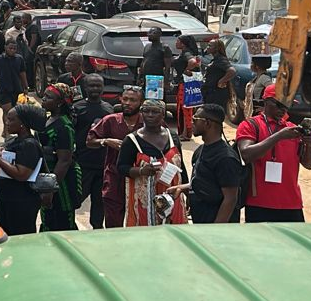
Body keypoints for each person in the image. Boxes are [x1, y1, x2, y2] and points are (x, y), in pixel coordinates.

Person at [235, 82, 311, 222]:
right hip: (259, 204)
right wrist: (278, 136)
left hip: (292, 203)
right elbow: (247, 154)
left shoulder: (292, 129)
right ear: (266, 102)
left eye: (286, 105)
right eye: (279, 105)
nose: (283, 110)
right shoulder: (251, 125)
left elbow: (309, 164)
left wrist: (308, 144)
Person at [117, 99, 188, 227]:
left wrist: (187, 194)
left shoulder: (173, 137)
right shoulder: (132, 141)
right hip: (144, 202)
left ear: (163, 114)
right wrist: (141, 171)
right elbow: (121, 167)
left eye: (155, 112)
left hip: (172, 197)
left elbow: (181, 167)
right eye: (146, 111)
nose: (150, 115)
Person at [169, 104, 242, 224]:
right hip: (201, 220)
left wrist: (215, 228)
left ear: (208, 123)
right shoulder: (201, 150)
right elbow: (204, 181)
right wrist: (181, 188)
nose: (191, 123)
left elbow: (230, 198)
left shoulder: (226, 158)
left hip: (216, 227)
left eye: (195, 120)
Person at [0, 105, 43, 235]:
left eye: (11, 120)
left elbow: (21, 174)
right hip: (6, 199)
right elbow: (1, 164)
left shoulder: (29, 144)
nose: (6, 123)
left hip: (21, 203)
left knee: (20, 239)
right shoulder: (13, 140)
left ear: (22, 124)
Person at [87, 85, 144, 228]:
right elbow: (89, 141)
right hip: (114, 176)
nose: (128, 103)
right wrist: (105, 141)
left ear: (141, 103)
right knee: (113, 222)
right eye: (125, 99)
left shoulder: (148, 121)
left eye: (133, 100)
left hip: (140, 177)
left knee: (140, 219)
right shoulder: (110, 121)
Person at [71, 74, 113, 228]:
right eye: (91, 86)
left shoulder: (109, 109)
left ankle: (97, 228)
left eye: (98, 86)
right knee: (75, 198)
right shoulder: (76, 108)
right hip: (83, 163)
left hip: (102, 164)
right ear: (85, 88)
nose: (95, 89)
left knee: (99, 200)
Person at [38, 84, 81, 231]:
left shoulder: (64, 126)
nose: (43, 99)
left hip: (61, 182)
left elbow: (64, 161)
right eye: (44, 95)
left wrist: (50, 188)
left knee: (62, 222)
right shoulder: (48, 119)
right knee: (47, 219)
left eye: (48, 97)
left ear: (60, 102)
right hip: (47, 176)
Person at [201, 38, 235, 108]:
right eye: (208, 45)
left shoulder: (221, 59)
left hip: (216, 94)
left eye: (210, 46)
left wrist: (221, 81)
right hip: (210, 92)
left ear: (216, 48)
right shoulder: (214, 59)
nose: (208, 47)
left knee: (213, 115)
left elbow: (232, 71)